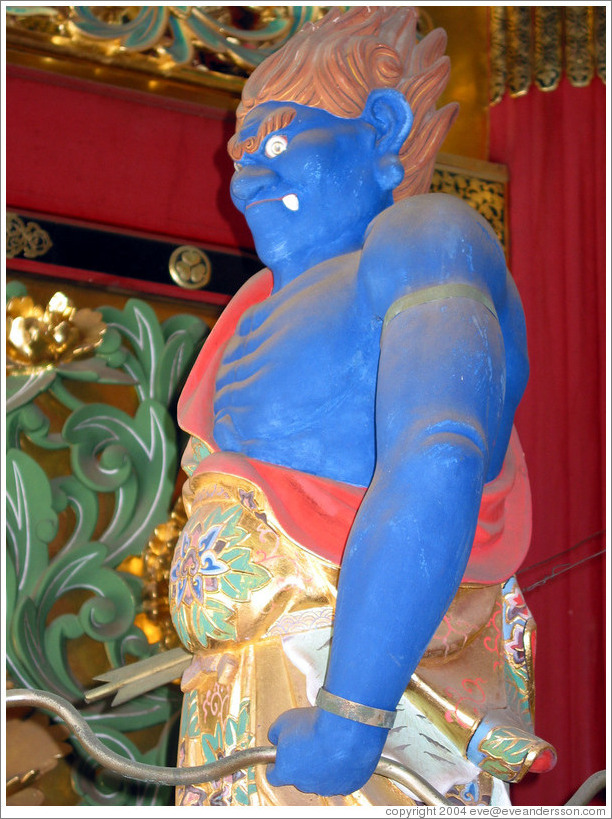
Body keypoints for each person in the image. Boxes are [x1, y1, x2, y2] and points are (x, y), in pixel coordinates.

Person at [169, 7, 555, 806]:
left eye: (276, 145)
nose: (246, 181)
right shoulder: (248, 306)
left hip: (361, 707)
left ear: (380, 128)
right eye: (240, 158)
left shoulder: (426, 240)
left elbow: (436, 453)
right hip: (231, 710)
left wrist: (352, 715)